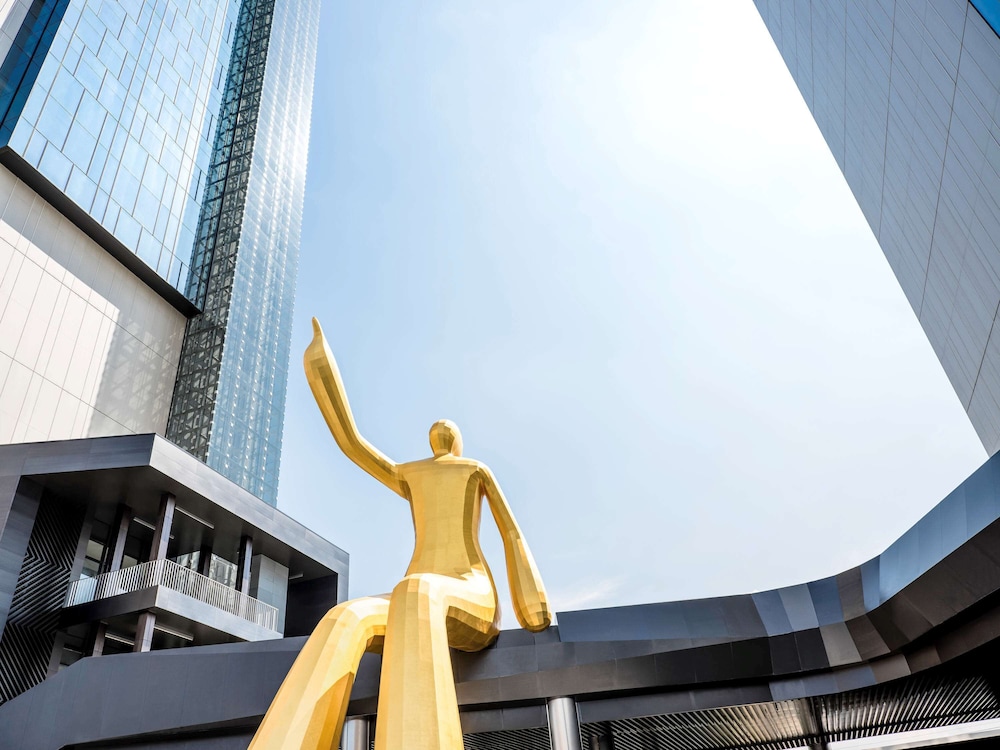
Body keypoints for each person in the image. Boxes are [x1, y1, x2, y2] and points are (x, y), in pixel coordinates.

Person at [249, 319, 551, 750]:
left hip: (469, 591)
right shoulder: (413, 474)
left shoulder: (474, 470)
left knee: (417, 593)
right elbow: (353, 443)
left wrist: (532, 605)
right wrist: (322, 371)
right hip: (416, 590)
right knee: (344, 618)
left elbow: (510, 532)